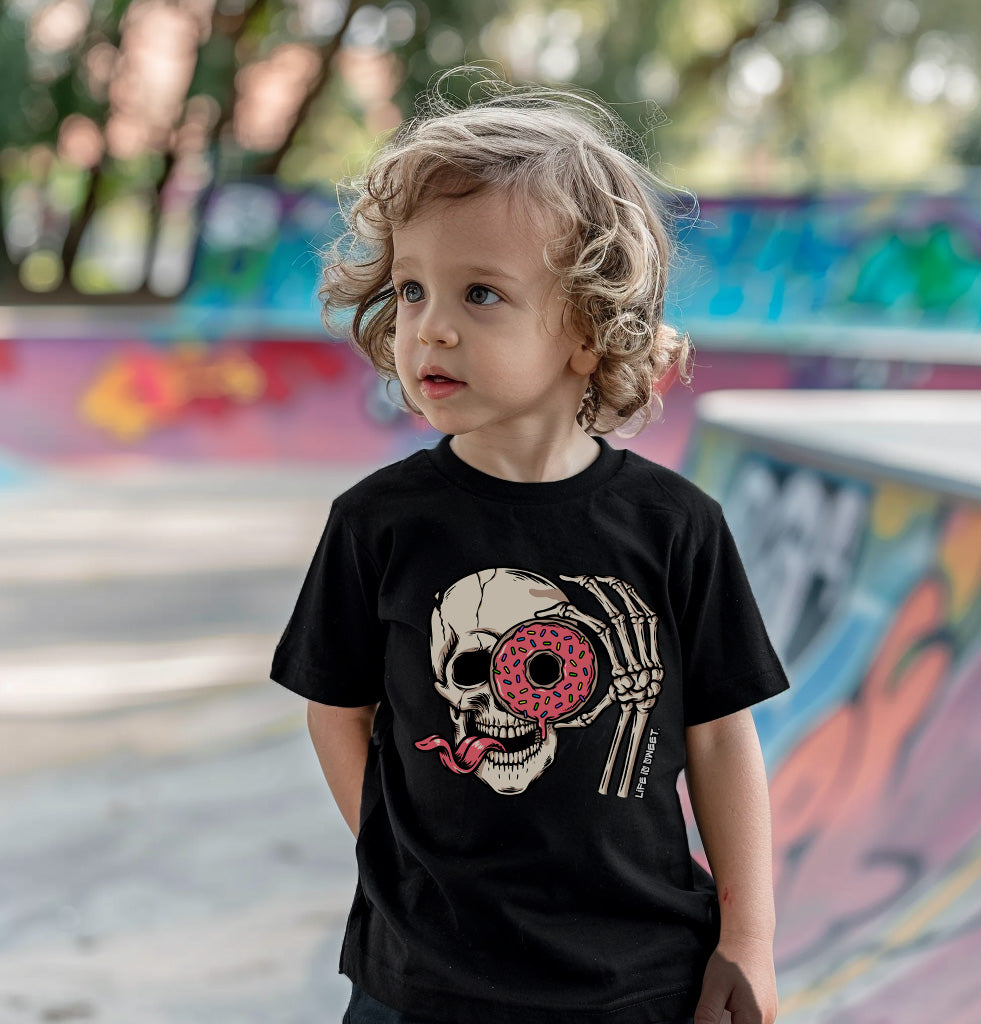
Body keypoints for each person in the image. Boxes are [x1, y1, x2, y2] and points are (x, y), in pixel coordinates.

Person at [271, 67, 789, 1024]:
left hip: (637, 981)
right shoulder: (378, 525)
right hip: (421, 987)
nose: (431, 327)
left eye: (481, 295)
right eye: (413, 289)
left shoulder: (675, 528)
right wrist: (399, 867)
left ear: (588, 332)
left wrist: (746, 941)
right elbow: (335, 710)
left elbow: (721, 737)